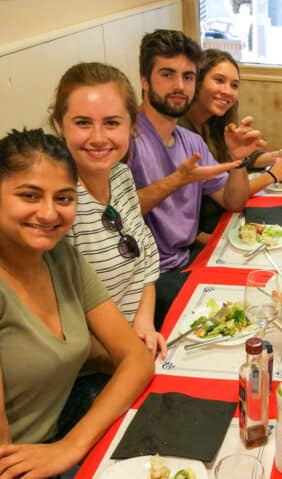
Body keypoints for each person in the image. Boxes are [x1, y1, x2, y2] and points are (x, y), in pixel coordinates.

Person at [0, 129, 153, 478]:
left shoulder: (63, 258)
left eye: (65, 198)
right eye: (29, 195)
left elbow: (137, 358)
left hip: (57, 441)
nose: (49, 213)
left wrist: (71, 446)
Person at [128, 29, 263, 328]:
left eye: (188, 77)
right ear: (145, 80)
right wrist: (176, 180)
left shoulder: (191, 141)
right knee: (244, 318)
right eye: (167, 74)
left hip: (188, 259)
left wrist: (237, 160)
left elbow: (232, 201)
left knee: (263, 286)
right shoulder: (126, 139)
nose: (179, 86)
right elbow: (113, 215)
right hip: (151, 279)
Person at [50, 62, 166, 359]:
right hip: (99, 363)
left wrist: (144, 322)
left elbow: (147, 258)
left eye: (112, 123)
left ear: (131, 126)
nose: (98, 138)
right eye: (83, 123)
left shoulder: (120, 175)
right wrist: (130, 356)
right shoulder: (57, 205)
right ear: (59, 125)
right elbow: (64, 326)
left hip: (139, 338)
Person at [180, 49, 282, 237]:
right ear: (197, 81)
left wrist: (274, 156)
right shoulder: (183, 133)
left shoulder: (213, 120)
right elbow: (227, 194)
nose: (227, 91)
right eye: (219, 80)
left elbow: (235, 157)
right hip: (202, 229)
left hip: (222, 215)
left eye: (234, 85)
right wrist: (273, 174)